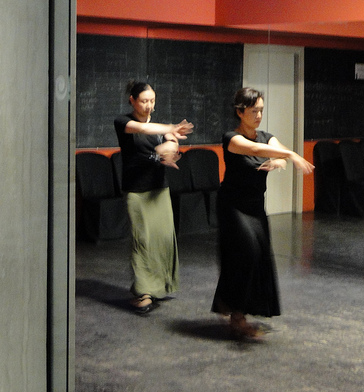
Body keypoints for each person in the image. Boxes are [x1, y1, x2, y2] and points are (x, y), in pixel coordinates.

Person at [211, 87, 314, 339]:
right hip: (232, 206)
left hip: (255, 206)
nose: (258, 115)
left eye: (261, 110)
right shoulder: (232, 138)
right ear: (240, 112)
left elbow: (273, 151)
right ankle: (237, 316)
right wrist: (289, 154)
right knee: (247, 251)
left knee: (258, 256)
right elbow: (256, 151)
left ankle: (231, 304)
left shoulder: (266, 137)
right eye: (253, 111)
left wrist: (280, 159)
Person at [114, 81, 194, 314]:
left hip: (159, 188)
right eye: (144, 101)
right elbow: (143, 130)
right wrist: (169, 130)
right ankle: (144, 293)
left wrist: (169, 149)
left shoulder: (159, 126)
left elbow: (172, 142)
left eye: (152, 101)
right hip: (136, 190)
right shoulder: (123, 122)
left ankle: (159, 286)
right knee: (142, 241)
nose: (149, 105)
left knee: (162, 239)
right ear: (132, 100)